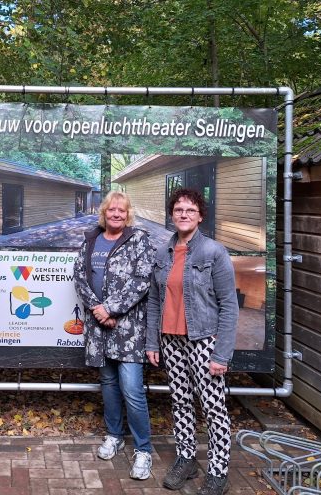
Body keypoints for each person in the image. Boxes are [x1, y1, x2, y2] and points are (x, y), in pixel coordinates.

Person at [146, 188, 239, 495]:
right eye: (178, 210)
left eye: (190, 210)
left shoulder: (214, 252)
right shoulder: (163, 253)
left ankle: (218, 472)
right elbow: (154, 302)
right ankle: (186, 459)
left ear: (200, 216)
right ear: (172, 215)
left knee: (213, 408)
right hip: (170, 341)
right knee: (181, 401)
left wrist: (221, 354)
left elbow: (229, 305)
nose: (183, 214)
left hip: (204, 341)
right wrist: (152, 343)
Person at [73, 190, 155, 480]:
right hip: (99, 329)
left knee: (132, 389)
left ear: (128, 213)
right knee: (108, 383)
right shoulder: (91, 239)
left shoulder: (139, 240)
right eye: (111, 210)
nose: (116, 214)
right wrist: (97, 310)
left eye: (121, 211)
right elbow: (79, 276)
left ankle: (143, 449)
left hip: (128, 329)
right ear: (104, 213)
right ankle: (114, 435)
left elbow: (142, 280)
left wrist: (111, 309)